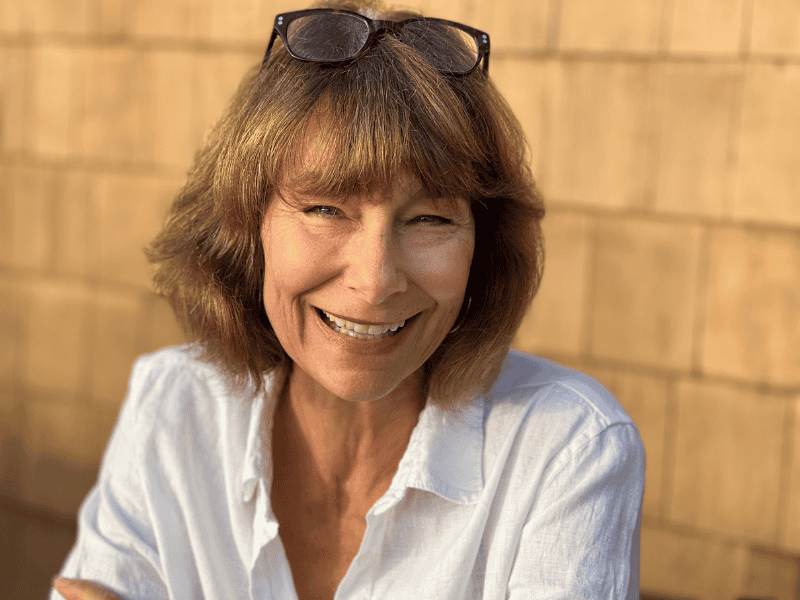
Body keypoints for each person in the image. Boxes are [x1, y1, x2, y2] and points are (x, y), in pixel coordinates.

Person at [52, 1, 645, 599]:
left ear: (481, 250)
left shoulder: (568, 450)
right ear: (245, 227)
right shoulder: (173, 408)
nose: (376, 278)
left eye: (430, 219)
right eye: (326, 209)